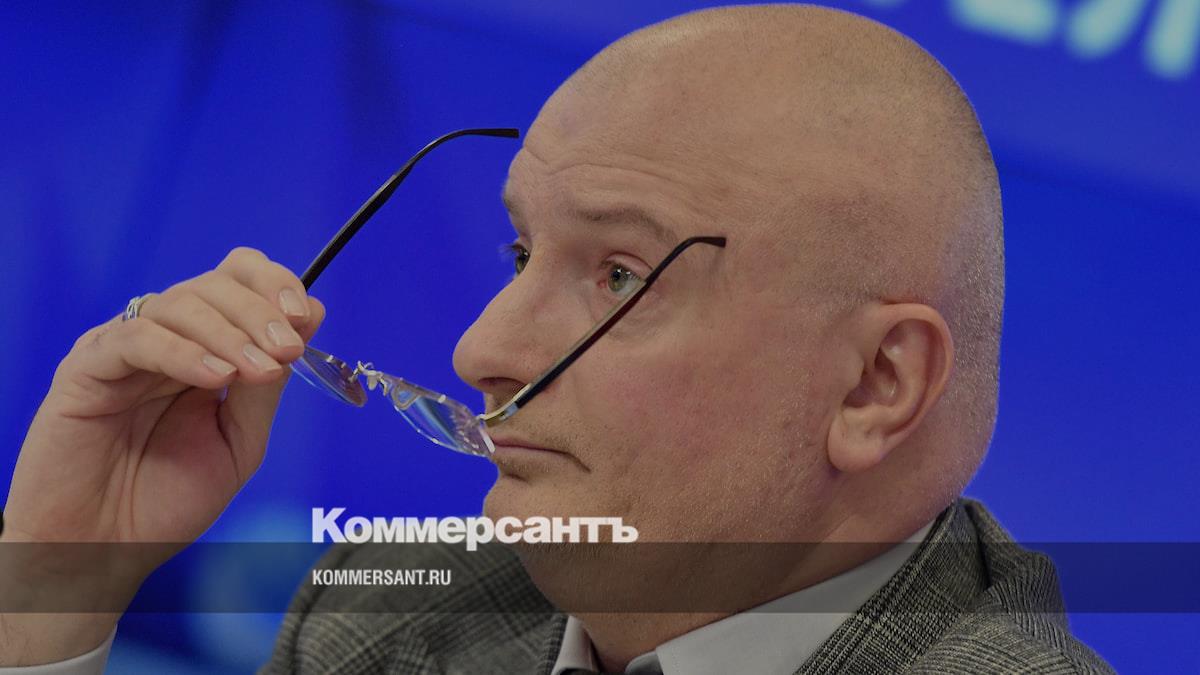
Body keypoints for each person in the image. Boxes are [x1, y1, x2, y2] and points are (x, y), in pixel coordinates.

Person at [1, 5, 1113, 673]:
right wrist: (54, 590)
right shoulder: (384, 618)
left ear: (875, 383)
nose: (480, 348)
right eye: (522, 252)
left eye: (621, 276)